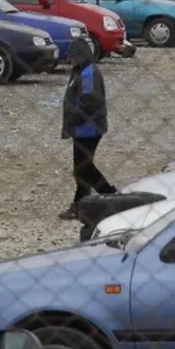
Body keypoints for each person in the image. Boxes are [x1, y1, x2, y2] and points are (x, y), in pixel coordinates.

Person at [58, 38, 117, 221]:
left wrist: (73, 116)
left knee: (83, 168)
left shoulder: (88, 72)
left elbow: (90, 100)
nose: (71, 60)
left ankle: (107, 196)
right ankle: (90, 203)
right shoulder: (81, 71)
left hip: (88, 128)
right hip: (83, 127)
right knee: (83, 168)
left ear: (81, 55)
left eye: (73, 57)